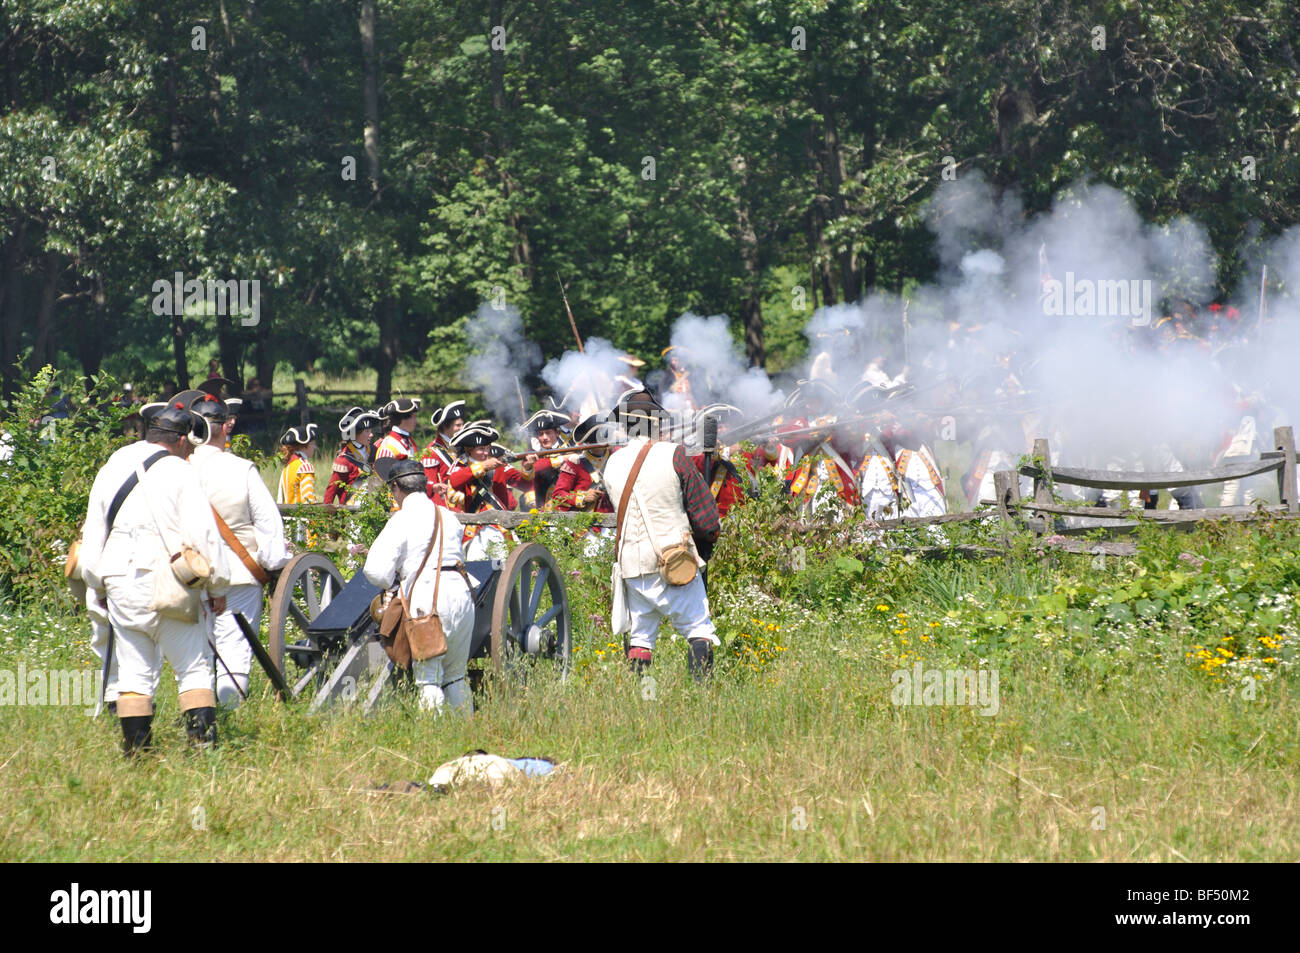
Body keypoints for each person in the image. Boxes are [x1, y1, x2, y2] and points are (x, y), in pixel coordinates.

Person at [78, 402, 232, 755]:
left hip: (117, 580)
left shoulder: (112, 466)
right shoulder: (181, 472)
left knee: (133, 675)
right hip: (168, 583)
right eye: (189, 445)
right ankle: (203, 752)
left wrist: (97, 584)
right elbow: (204, 536)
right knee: (192, 669)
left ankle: (138, 755)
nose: (191, 451)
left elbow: (94, 533)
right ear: (179, 440)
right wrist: (218, 587)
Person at [603, 389, 721, 680]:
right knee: (698, 629)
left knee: (641, 639)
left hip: (631, 565)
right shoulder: (674, 454)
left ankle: (646, 702)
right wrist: (707, 540)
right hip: (674, 560)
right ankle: (700, 699)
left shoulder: (612, 463)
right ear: (654, 422)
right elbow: (706, 519)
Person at [189, 392, 291, 707]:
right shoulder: (242, 469)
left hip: (191, 574)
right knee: (234, 649)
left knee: (199, 653)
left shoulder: (179, 469)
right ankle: (231, 714)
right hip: (239, 573)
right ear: (223, 428)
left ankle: (202, 717)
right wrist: (273, 564)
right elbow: (269, 526)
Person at [363, 460, 475, 714]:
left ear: (396, 489)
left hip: (428, 601)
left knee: (429, 680)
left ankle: (431, 741)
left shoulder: (402, 519)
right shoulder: (448, 516)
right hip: (462, 596)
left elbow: (376, 571)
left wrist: (392, 582)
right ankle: (467, 733)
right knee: (456, 676)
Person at [446, 421, 528, 561]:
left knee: (503, 563)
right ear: (469, 449)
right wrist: (483, 467)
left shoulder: (497, 463)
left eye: (487, 448)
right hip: (471, 526)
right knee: (475, 565)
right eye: (481, 449)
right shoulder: (460, 464)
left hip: (497, 523)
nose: (485, 452)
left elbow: (522, 484)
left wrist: (529, 466)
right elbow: (455, 480)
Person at [325, 407, 381, 504]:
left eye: (371, 430)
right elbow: (331, 491)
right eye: (367, 431)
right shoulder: (344, 460)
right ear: (356, 434)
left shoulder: (373, 452)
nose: (371, 435)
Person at [421, 399, 468, 502]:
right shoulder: (431, 452)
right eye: (458, 425)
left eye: (462, 425)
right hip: (444, 507)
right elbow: (429, 487)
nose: (461, 429)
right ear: (445, 426)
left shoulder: (460, 447)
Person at [374, 397, 422, 470]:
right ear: (403, 419)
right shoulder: (388, 447)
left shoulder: (409, 441)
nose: (416, 422)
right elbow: (383, 477)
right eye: (414, 417)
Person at [276, 424, 318, 504]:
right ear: (304, 446)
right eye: (313, 444)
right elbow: (309, 501)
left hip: (285, 516)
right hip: (301, 516)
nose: (315, 447)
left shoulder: (286, 468)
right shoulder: (305, 467)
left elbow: (280, 500)